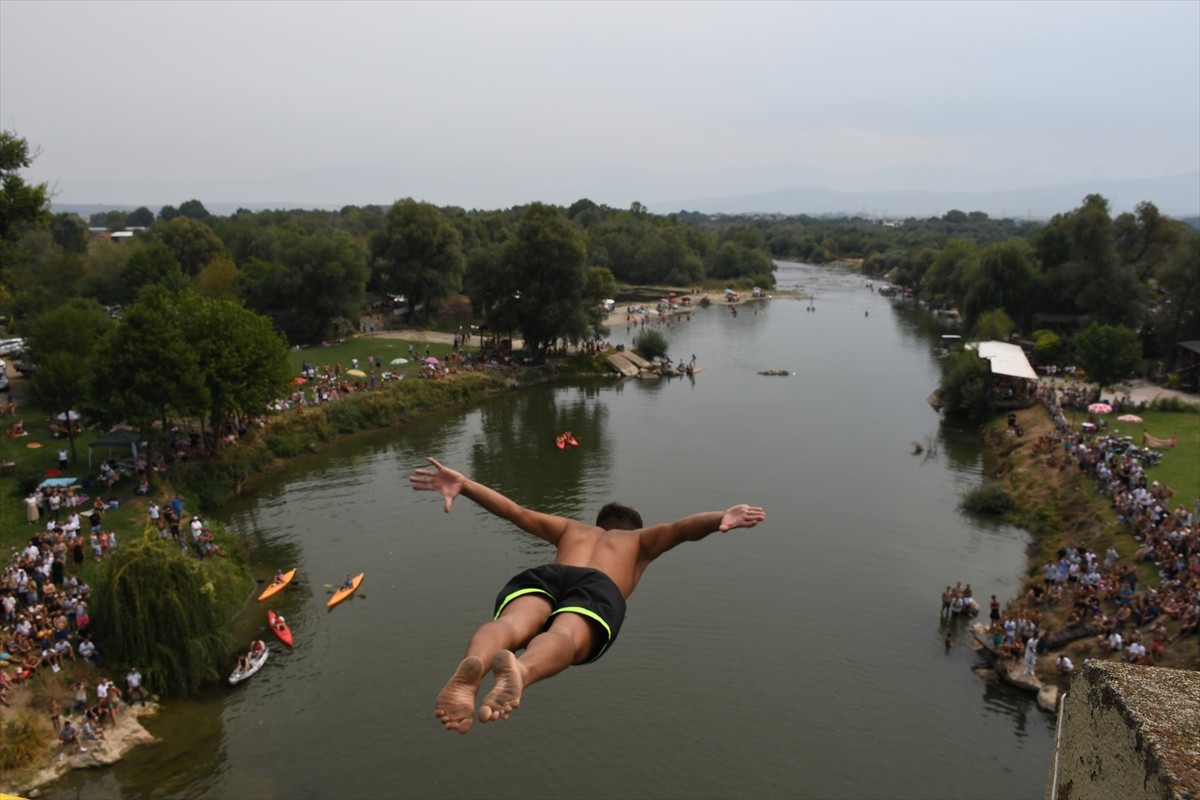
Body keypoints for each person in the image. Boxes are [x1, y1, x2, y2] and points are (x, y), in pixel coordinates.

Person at [409, 456, 766, 734]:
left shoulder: (572, 530)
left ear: (599, 525)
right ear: (632, 529)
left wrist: (466, 485)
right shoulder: (638, 541)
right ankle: (521, 670)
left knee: (511, 624)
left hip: (550, 575)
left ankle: (474, 666)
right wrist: (720, 517)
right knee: (564, 636)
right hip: (597, 587)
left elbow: (515, 512)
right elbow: (681, 529)